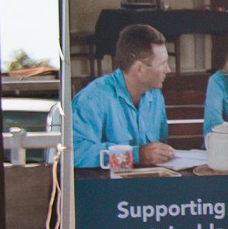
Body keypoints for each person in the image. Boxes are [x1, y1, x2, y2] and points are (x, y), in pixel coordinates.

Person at [70, 25, 174, 169]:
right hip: (106, 187)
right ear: (140, 69)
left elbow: (160, 148)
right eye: (163, 64)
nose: (168, 70)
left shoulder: (155, 95)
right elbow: (74, 154)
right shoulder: (94, 97)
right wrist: (135, 156)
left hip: (147, 183)